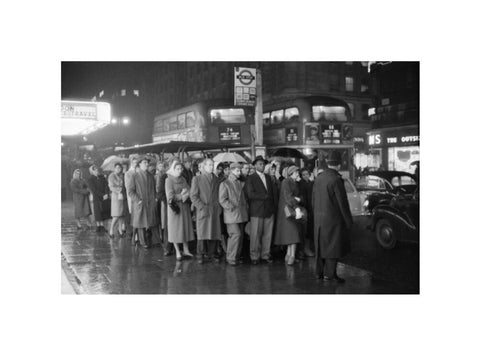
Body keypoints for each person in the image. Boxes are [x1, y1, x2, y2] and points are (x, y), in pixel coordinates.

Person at [312, 150, 353, 282]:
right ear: (339, 165)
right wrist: (348, 221)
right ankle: (330, 274)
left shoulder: (319, 178)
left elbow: (313, 199)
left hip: (318, 218)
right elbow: (342, 203)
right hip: (333, 219)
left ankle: (319, 272)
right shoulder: (336, 179)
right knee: (332, 247)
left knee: (320, 246)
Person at [244, 156, 277, 264]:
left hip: (269, 209)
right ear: (255, 165)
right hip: (257, 210)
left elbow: (273, 193)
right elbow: (250, 194)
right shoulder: (251, 178)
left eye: (263, 164)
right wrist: (265, 196)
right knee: (255, 235)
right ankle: (254, 256)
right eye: (259, 164)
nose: (261, 166)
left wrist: (273, 206)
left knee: (267, 234)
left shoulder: (268, 177)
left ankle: (265, 255)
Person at [190, 158, 222, 264]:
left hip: (214, 209)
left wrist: (219, 207)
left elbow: (219, 195)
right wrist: (201, 207)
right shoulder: (197, 179)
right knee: (202, 233)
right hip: (203, 209)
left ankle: (212, 253)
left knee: (214, 231)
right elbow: (193, 196)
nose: (211, 167)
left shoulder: (217, 179)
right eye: (209, 165)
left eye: (212, 165)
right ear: (203, 166)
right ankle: (200, 254)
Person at [219, 163, 249, 266]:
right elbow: (222, 200)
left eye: (240, 170)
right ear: (231, 171)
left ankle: (235, 257)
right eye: (237, 170)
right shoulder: (225, 184)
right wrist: (231, 206)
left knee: (239, 237)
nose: (239, 172)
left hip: (240, 213)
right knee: (235, 235)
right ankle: (231, 257)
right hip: (231, 214)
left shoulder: (240, 183)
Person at [274, 166, 304, 265]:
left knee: (291, 234)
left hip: (287, 210)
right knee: (293, 233)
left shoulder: (290, 182)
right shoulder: (287, 182)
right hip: (289, 210)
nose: (297, 174)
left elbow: (296, 197)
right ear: (291, 173)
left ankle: (289, 255)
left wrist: (297, 199)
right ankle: (291, 256)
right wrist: (297, 205)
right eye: (296, 172)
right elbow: (289, 197)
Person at [127, 157, 160, 249]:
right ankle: (142, 241)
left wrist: (155, 198)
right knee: (140, 222)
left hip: (150, 202)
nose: (146, 164)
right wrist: (138, 200)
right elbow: (130, 191)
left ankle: (153, 240)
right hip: (140, 203)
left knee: (150, 221)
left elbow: (154, 189)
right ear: (139, 164)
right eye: (144, 162)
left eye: (147, 163)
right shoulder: (134, 176)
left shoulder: (150, 176)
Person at [165, 160, 195, 261]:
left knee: (185, 229)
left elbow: (190, 189)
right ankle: (178, 251)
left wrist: (187, 194)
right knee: (175, 230)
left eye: (181, 169)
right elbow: (170, 196)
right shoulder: (168, 180)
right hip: (175, 209)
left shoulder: (183, 179)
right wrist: (182, 196)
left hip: (185, 208)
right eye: (177, 169)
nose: (180, 171)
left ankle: (186, 250)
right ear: (173, 169)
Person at [156, 161, 174, 255]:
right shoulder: (164, 177)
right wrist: (168, 202)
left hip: (178, 205)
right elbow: (160, 193)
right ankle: (167, 247)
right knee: (167, 225)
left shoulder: (180, 176)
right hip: (168, 204)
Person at [87, 165, 110, 232]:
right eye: (95, 170)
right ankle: (98, 225)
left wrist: (106, 194)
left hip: (104, 197)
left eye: (97, 170)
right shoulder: (90, 179)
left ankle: (102, 225)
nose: (97, 171)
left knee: (103, 211)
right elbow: (94, 190)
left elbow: (106, 186)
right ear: (92, 171)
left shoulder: (102, 177)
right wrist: (102, 195)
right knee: (97, 211)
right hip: (97, 197)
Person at [298, 168, 315, 257]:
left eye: (306, 174)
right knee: (306, 231)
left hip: (311, 209)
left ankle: (309, 248)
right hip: (305, 209)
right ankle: (305, 249)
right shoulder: (301, 184)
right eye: (303, 174)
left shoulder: (311, 183)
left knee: (310, 230)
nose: (305, 176)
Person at [108, 163, 128, 238]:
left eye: (119, 168)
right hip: (116, 196)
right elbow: (111, 187)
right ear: (114, 168)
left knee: (122, 215)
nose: (118, 169)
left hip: (122, 195)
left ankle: (120, 230)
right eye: (117, 168)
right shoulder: (111, 176)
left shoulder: (122, 175)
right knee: (116, 215)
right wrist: (119, 190)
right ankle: (111, 229)